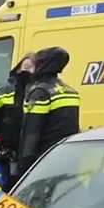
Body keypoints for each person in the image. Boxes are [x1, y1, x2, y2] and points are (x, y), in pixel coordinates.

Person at [14, 47, 81, 179]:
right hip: (68, 157)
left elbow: (31, 133)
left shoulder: (40, 92)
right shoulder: (70, 91)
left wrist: (23, 168)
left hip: (45, 159)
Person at [0, 55, 35, 190]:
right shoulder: (5, 91)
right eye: (26, 67)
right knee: (10, 190)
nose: (28, 71)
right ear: (17, 69)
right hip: (9, 154)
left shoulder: (40, 89)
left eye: (31, 67)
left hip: (34, 154)